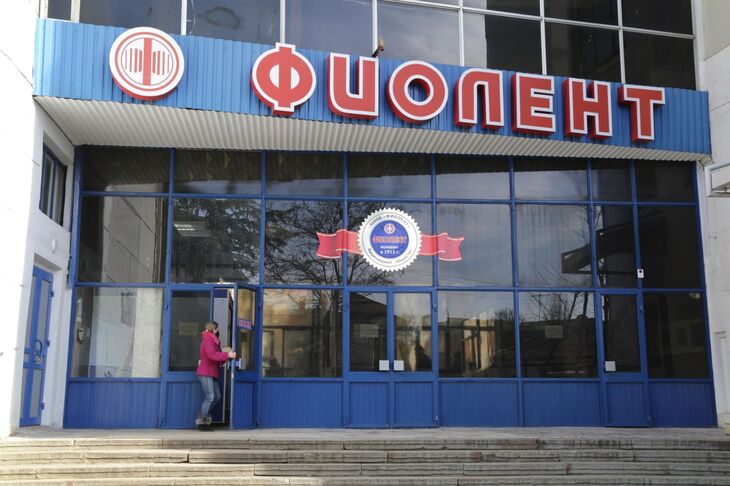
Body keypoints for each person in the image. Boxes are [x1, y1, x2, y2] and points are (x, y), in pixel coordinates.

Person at [195, 320, 235, 430]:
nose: (218, 330)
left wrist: (226, 356)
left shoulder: (213, 341)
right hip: (205, 372)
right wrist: (227, 354)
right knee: (210, 396)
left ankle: (202, 415)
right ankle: (202, 423)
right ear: (214, 329)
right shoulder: (208, 341)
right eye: (217, 328)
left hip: (211, 372)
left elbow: (216, 358)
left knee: (216, 396)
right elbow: (212, 355)